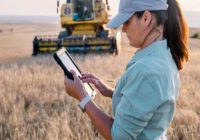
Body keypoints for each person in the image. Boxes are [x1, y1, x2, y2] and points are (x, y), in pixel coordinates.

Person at [64, 0, 189, 139]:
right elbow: (147, 102)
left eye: (127, 21)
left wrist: (82, 97)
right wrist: (111, 92)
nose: (123, 29)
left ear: (146, 18)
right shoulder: (164, 56)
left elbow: (118, 136)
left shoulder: (146, 71)